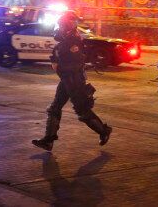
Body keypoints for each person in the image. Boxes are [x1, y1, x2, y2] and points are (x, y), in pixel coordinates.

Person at [32, 11, 112, 151]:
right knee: (55, 108)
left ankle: (104, 131)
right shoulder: (67, 40)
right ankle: (48, 140)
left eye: (61, 25)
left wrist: (59, 65)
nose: (59, 28)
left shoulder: (74, 40)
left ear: (67, 25)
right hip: (66, 80)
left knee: (82, 110)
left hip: (74, 80)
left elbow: (76, 63)